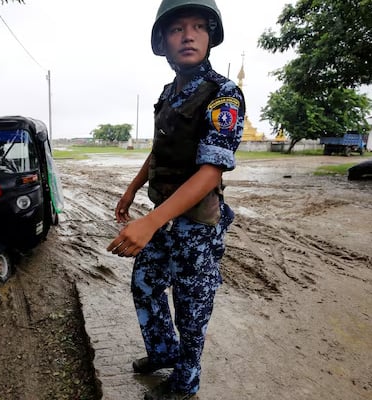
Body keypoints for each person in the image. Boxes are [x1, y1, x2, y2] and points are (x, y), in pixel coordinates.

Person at [106, 0, 245, 399]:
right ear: (162, 41)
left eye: (199, 27)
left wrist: (148, 223)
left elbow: (211, 172)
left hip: (197, 225)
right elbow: (159, 149)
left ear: (210, 36)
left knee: (191, 306)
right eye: (177, 28)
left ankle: (186, 383)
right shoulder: (170, 94)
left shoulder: (223, 94)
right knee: (145, 284)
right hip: (164, 217)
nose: (188, 35)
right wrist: (133, 188)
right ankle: (162, 352)